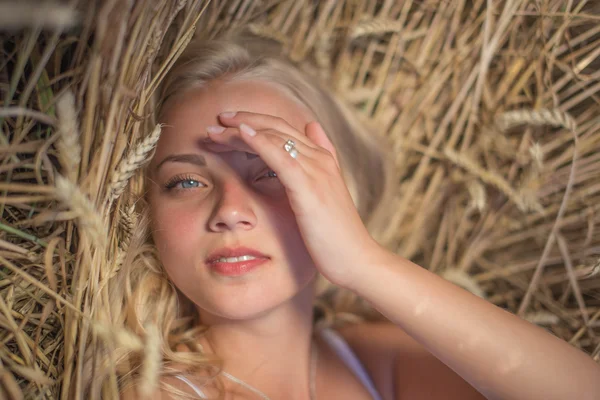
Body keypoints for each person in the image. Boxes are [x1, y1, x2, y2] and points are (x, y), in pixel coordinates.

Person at [117, 31, 600, 400]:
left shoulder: (375, 362)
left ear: (336, 197)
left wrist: (364, 262)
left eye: (274, 172)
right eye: (186, 182)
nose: (230, 211)